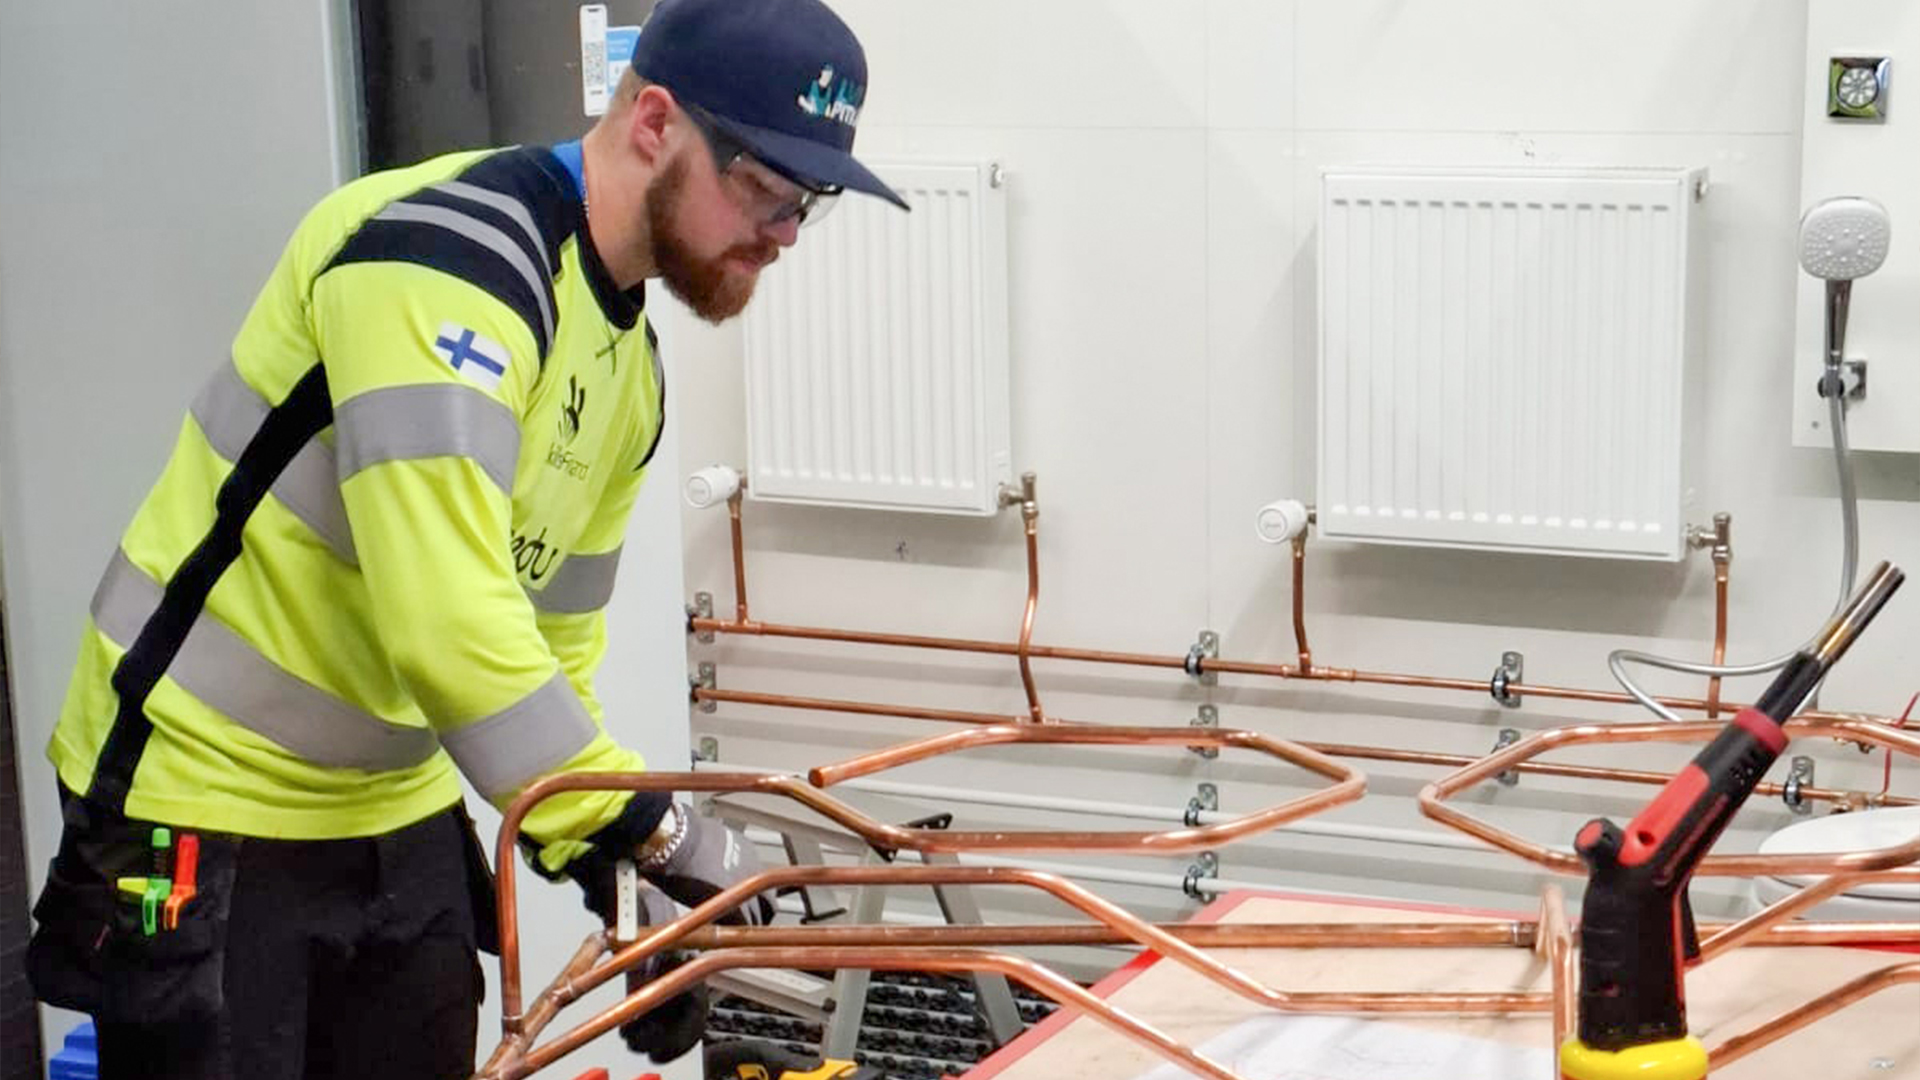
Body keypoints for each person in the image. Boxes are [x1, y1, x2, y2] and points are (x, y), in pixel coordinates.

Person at [25, 0, 908, 1076]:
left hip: (389, 799)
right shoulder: (446, 261)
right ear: (654, 124)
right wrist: (661, 836)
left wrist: (615, 875)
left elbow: (554, 650)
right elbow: (451, 629)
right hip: (201, 793)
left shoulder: (627, 373)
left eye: (808, 204)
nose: (785, 235)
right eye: (765, 188)